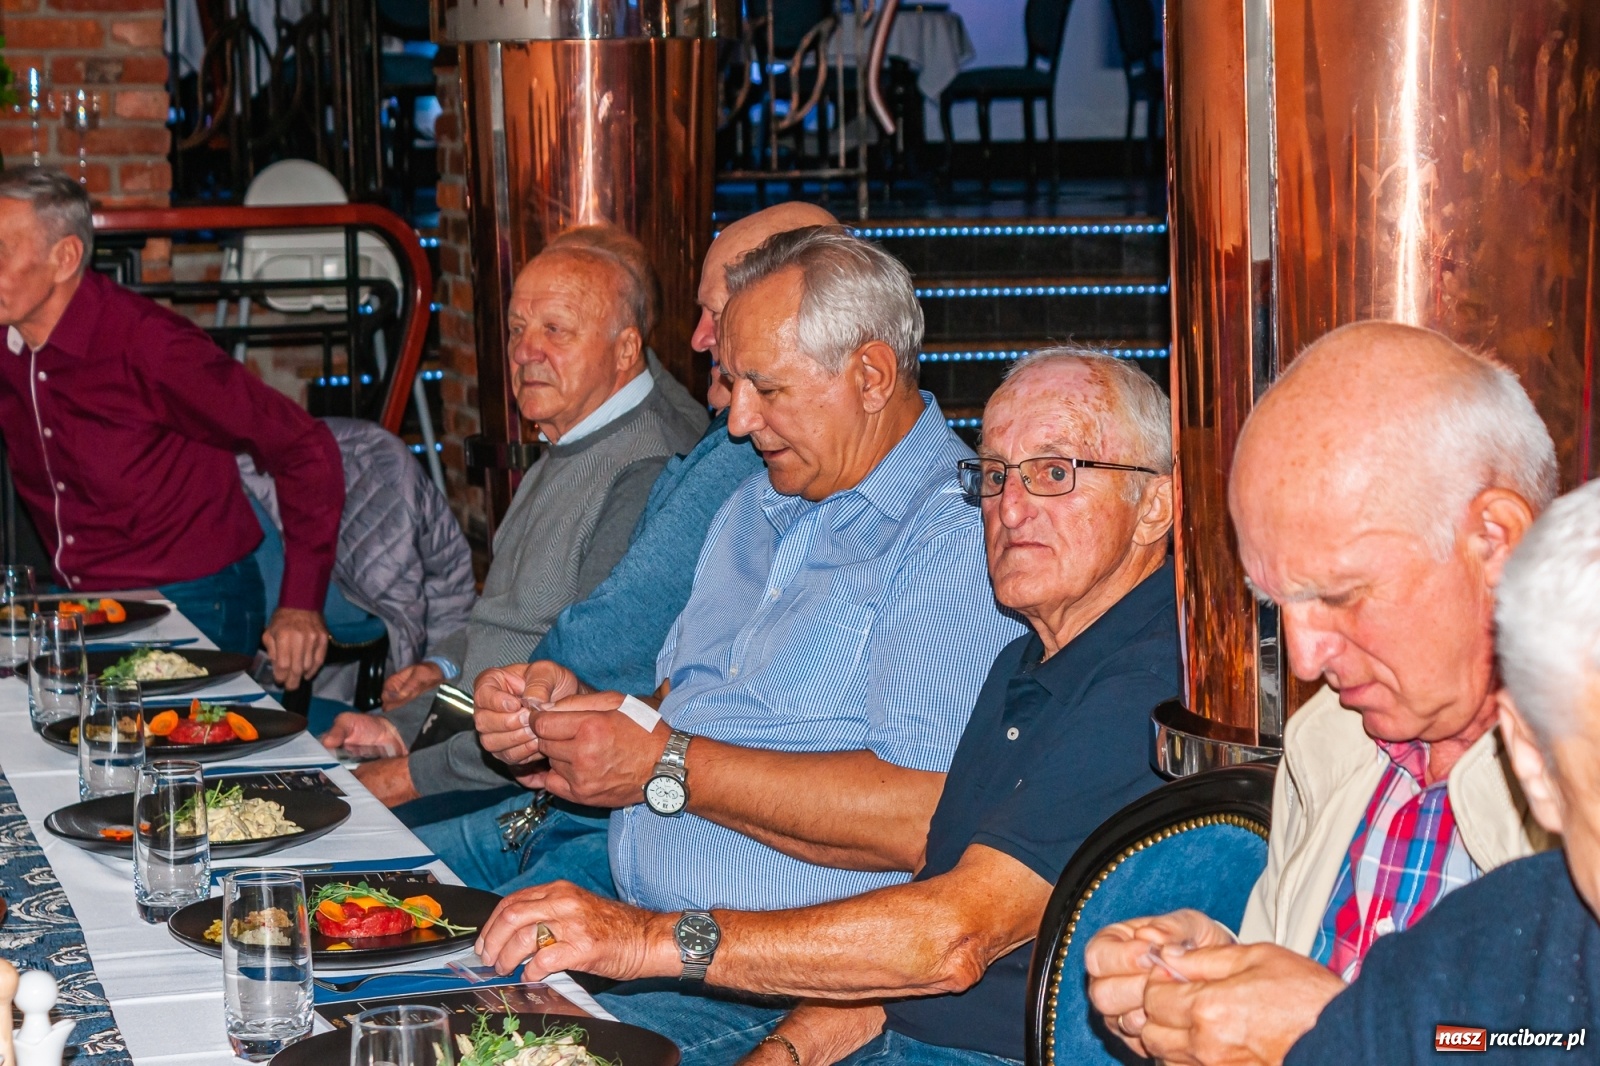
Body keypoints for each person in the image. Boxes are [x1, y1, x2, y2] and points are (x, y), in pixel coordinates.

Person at [470, 348, 1182, 1066]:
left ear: (1155, 504)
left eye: (1054, 474)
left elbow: (949, 939)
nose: (1009, 508)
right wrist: (785, 1054)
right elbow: (903, 965)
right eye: (994, 475)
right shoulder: (1026, 655)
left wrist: (648, 940)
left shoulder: (1147, 684)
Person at [449, 225, 1023, 925]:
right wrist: (580, 714)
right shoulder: (754, 503)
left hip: (788, 981)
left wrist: (666, 764)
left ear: (870, 377)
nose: (740, 421)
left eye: (768, 388)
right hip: (646, 922)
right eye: (733, 381)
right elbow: (682, 705)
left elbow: (925, 817)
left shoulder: (952, 535)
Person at [1084, 321, 1558, 1065]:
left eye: (1339, 594)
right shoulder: (1334, 738)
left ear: (1495, 541)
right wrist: (1217, 982)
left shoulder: (1579, 765)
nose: (1305, 657)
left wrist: (1340, 1028)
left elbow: (1552, 1039)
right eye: (1277, 604)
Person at [324, 205, 832, 815]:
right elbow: (511, 634)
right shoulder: (574, 436)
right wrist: (415, 705)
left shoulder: (666, 458)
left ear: (625, 351)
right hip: (485, 750)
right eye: (515, 330)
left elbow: (589, 673)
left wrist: (411, 766)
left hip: (529, 793)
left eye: (555, 330)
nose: (524, 353)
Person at [1283, 478, 1600, 1064]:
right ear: (1535, 759)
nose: (1304, 656)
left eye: (1348, 591)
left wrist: (1317, 1018)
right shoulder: (1473, 948)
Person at [0, 166, 341, 687]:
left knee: (124, 750)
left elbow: (303, 445)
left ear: (65, 257)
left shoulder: (149, 346)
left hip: (193, 601)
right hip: (86, 604)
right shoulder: (9, 343)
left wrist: (300, 603)